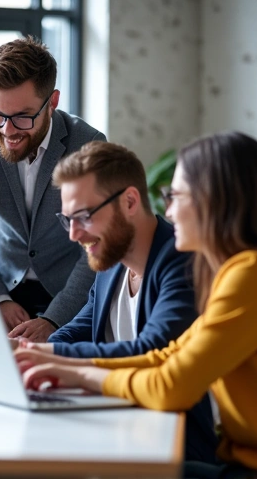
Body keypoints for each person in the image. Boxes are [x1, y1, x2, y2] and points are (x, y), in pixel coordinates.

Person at [16, 132, 257, 478]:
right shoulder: (241, 271)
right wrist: (46, 356)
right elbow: (168, 357)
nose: (169, 209)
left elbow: (170, 385)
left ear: (215, 200)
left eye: (175, 196)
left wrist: (74, 371)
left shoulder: (254, 273)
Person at [33, 140, 216, 463]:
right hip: (114, 431)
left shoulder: (181, 259)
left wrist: (48, 355)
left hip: (174, 449)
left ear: (130, 202)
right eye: (68, 220)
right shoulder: (112, 261)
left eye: (85, 216)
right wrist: (27, 353)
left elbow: (154, 348)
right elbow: (79, 329)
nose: (74, 234)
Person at [0, 36, 105, 343]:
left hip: (71, 297)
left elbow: (96, 245)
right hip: (0, 287)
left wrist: (56, 319)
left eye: (22, 117)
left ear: (52, 103)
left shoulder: (88, 145)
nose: (7, 130)